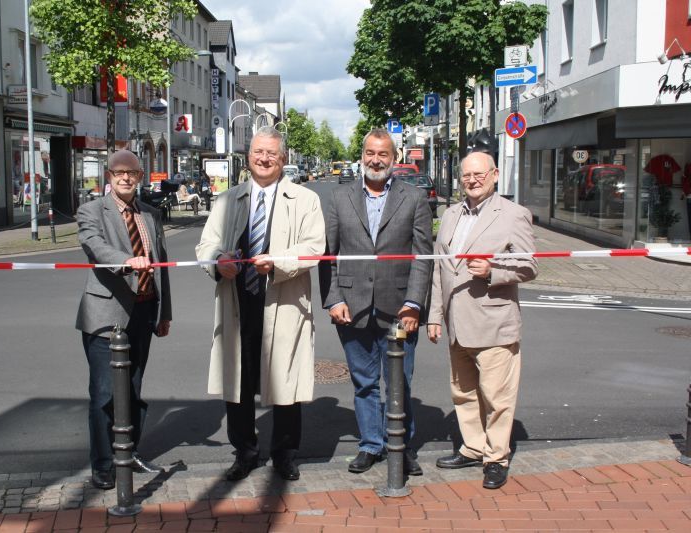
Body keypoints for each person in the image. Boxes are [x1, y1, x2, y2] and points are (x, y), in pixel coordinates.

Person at [196, 127, 325, 482]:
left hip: (283, 302)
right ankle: (245, 453)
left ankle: (284, 455)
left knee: (285, 381)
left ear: (283, 158)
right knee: (238, 381)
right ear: (248, 157)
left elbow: (314, 246)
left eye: (271, 153)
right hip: (238, 302)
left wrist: (278, 261)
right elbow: (205, 245)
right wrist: (217, 261)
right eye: (258, 152)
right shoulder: (227, 200)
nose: (264, 159)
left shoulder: (305, 199)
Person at [319, 128, 433, 476]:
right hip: (351, 308)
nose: (376, 160)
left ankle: (401, 445)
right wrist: (333, 299)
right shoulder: (339, 198)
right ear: (362, 156)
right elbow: (328, 255)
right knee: (364, 383)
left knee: (401, 382)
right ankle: (370, 444)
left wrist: (414, 303)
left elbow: (423, 256)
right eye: (370, 153)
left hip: (400, 309)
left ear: (394, 158)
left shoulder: (414, 198)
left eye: (383, 154)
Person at [426, 151, 538, 490]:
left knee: (497, 397)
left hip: (494, 322)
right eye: (466, 175)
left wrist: (494, 270)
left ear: (495, 175)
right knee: (463, 392)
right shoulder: (450, 214)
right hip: (457, 322)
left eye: (479, 174)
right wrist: (434, 315)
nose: (472, 180)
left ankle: (496, 458)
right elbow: (440, 268)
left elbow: (530, 266)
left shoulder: (514, 214)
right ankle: (474, 447)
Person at [75, 150, 172, 490]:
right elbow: (94, 245)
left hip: (144, 312)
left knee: (132, 390)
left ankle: (128, 454)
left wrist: (164, 313)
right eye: (119, 172)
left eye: (132, 172)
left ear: (141, 176)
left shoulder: (150, 214)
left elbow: (161, 265)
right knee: (105, 394)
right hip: (105, 315)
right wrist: (126, 261)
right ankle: (104, 464)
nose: (126, 177)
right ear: (109, 176)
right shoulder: (91, 211)